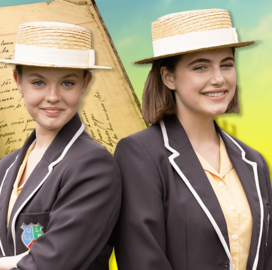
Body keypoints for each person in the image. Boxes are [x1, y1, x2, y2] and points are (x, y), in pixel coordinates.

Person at [0, 21, 121, 270]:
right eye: (38, 82)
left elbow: (48, 266)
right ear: (18, 81)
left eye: (67, 83)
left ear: (85, 84)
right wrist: (5, 263)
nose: (53, 96)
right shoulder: (3, 168)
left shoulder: (94, 166)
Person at [114, 9, 272, 270]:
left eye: (227, 64)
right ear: (168, 77)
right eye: (201, 67)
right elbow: (142, 261)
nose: (219, 78)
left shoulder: (253, 162)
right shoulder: (139, 154)